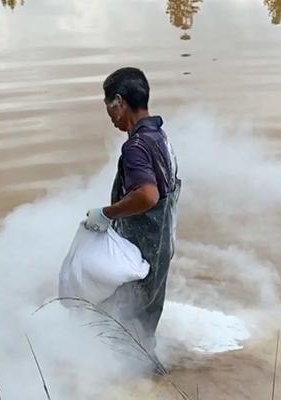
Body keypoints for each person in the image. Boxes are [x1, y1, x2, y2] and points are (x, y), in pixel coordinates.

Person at [84, 67, 181, 354]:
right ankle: (145, 372)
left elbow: (148, 196)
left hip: (139, 254)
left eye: (109, 109)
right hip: (160, 249)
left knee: (121, 324)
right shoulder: (159, 137)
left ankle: (133, 378)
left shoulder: (136, 147)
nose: (111, 118)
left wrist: (107, 213)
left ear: (119, 102)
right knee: (144, 319)